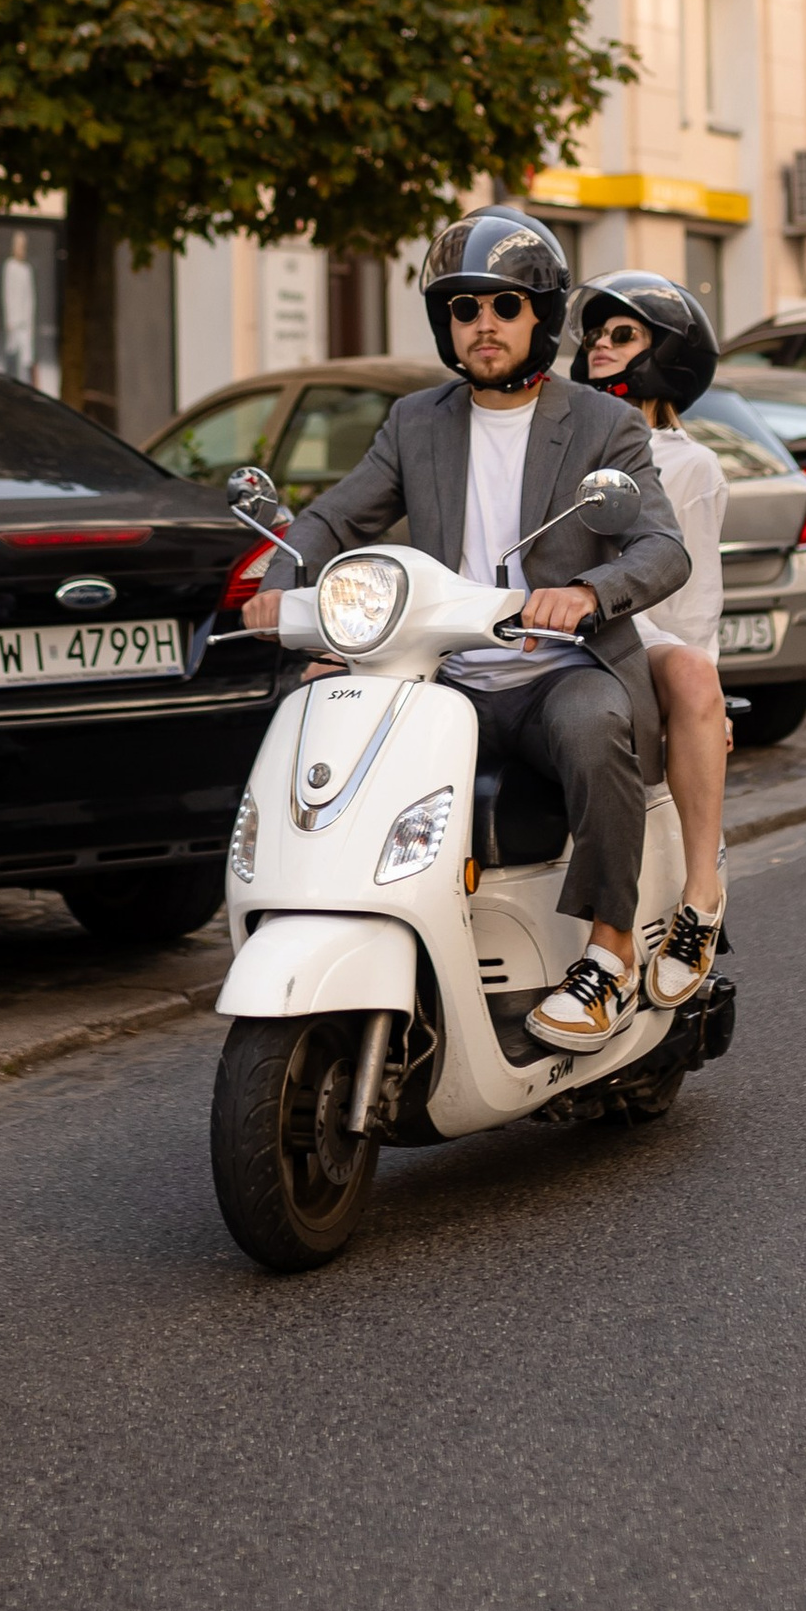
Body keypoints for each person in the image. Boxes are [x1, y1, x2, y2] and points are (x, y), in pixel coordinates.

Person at [246, 209, 687, 1052]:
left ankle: (609, 954)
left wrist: (588, 592)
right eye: (463, 308)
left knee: (596, 728)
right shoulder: (418, 421)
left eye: (504, 305)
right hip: (446, 671)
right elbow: (336, 519)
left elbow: (662, 547)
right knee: (330, 718)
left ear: (541, 316)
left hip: (563, 668)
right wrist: (279, 582)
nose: (483, 323)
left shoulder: (602, 422)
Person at [569, 274, 730, 1009]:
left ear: (668, 355)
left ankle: (701, 896)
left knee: (694, 673)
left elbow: (693, 600)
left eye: (623, 334)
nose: (600, 343)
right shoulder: (560, 438)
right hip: (557, 628)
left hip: (646, 633)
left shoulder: (689, 464)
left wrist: (708, 699)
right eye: (598, 333)